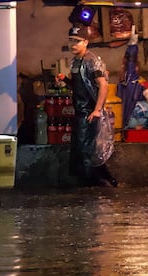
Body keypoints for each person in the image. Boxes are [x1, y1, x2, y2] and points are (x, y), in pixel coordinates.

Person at [58, 25, 117, 187]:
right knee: (83, 149)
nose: (73, 44)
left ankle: (93, 184)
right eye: (71, 40)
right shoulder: (75, 62)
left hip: (89, 112)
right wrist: (65, 80)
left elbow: (103, 86)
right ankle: (105, 180)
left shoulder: (92, 61)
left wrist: (97, 110)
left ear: (85, 42)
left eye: (76, 41)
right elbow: (78, 86)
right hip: (79, 112)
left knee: (86, 151)